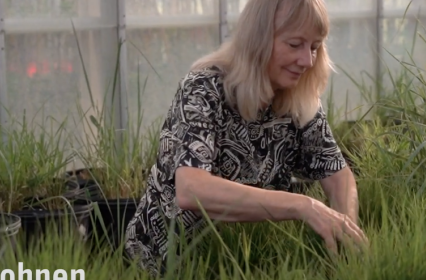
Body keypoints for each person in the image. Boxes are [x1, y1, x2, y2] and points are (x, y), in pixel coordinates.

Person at [124, 0, 368, 276]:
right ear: (258, 40)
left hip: (242, 261)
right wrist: (302, 205)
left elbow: (339, 175)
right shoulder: (203, 89)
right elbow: (191, 189)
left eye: (314, 47)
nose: (307, 61)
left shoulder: (298, 99)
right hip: (169, 264)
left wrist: (346, 234)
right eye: (294, 44)